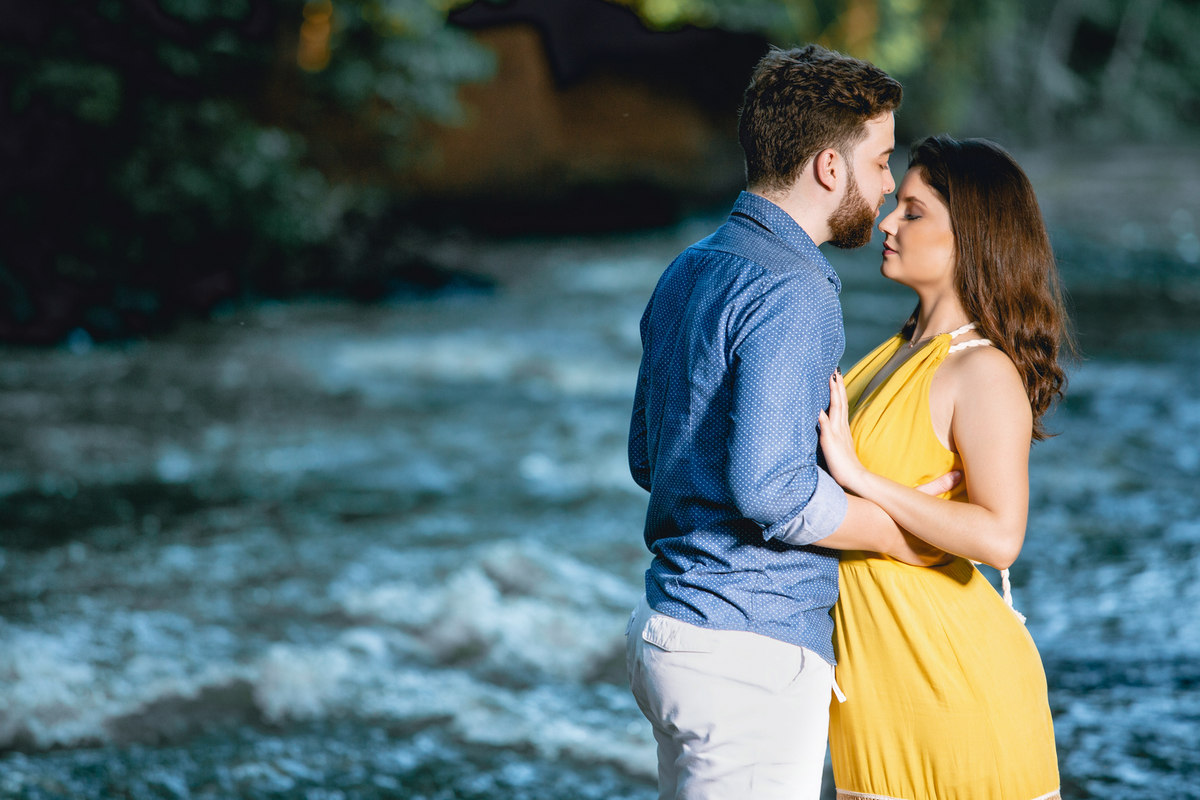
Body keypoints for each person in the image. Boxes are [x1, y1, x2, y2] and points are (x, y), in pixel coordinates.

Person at [624, 46, 958, 800]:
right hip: (747, 652)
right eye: (879, 162)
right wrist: (897, 532)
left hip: (668, 631)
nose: (883, 189)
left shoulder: (692, 265)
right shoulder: (796, 288)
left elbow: (649, 458)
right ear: (829, 168)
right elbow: (771, 490)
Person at [818, 135, 1075, 800]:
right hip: (884, 704)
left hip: (952, 697)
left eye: (913, 211)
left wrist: (866, 481)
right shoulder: (890, 353)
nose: (885, 223)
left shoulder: (980, 370)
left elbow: (998, 538)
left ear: (970, 236)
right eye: (896, 206)